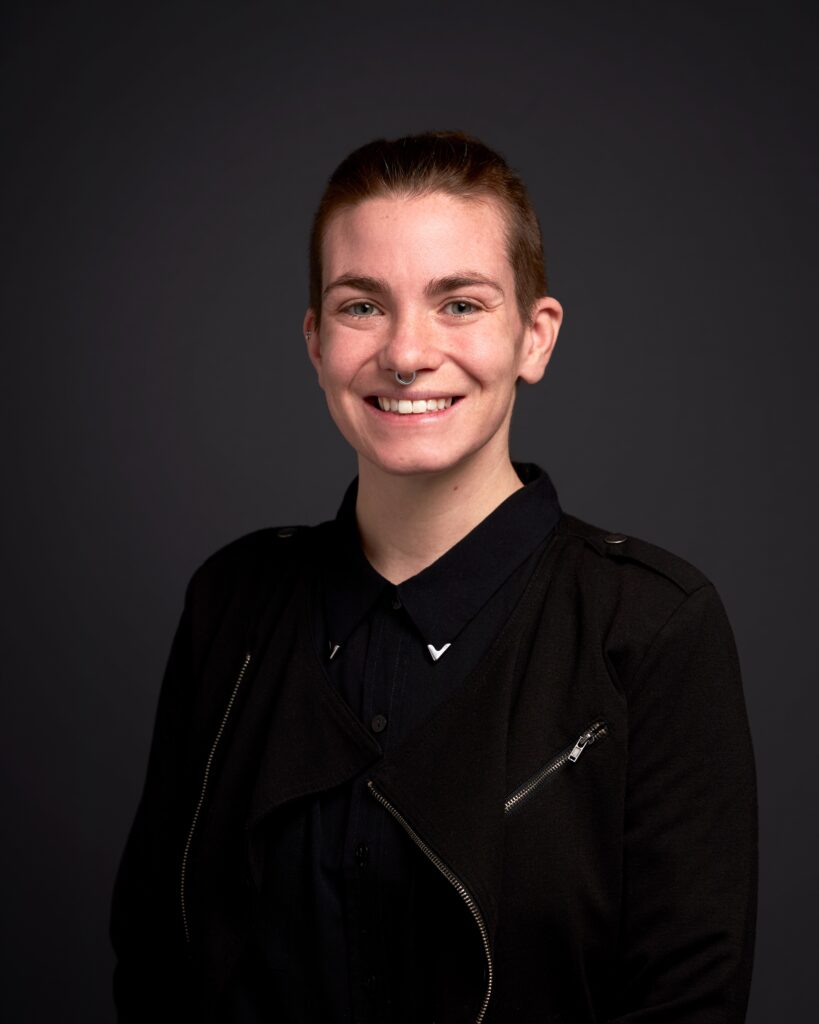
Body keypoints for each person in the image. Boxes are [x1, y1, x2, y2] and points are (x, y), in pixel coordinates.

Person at [110, 131, 758, 1024]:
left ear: (534, 337)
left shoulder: (650, 626)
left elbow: (686, 1000)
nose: (407, 353)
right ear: (314, 341)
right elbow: (154, 964)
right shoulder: (233, 603)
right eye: (361, 306)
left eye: (458, 303)